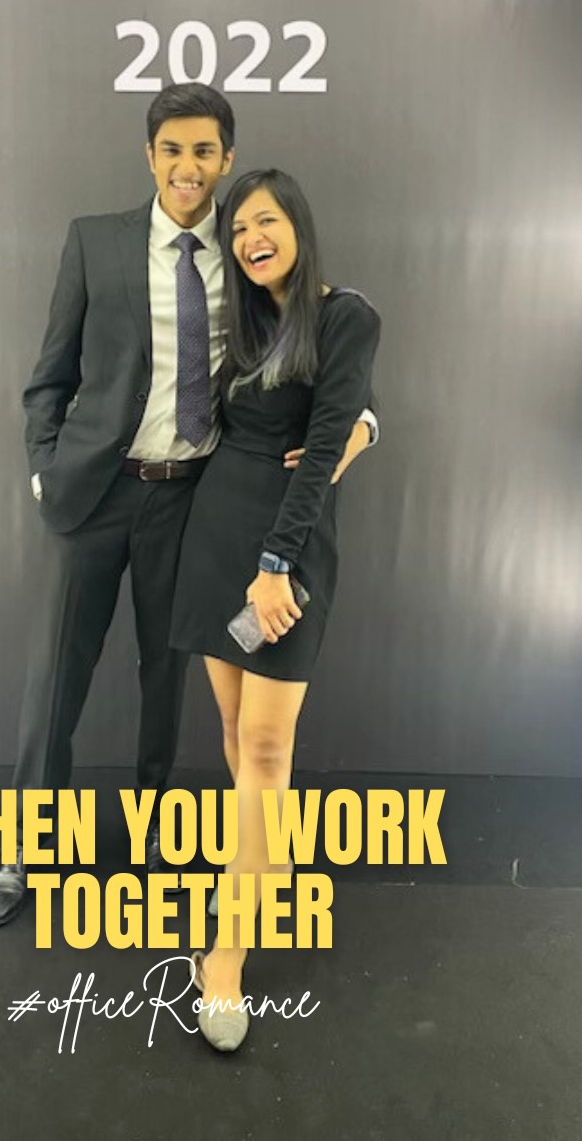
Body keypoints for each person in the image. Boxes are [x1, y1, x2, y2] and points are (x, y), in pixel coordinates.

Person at [0, 86, 378, 926]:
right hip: (92, 495)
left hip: (192, 499)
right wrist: (45, 471)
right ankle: (24, 844)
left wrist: (363, 426)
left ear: (226, 159)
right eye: (172, 150)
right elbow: (49, 377)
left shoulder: (248, 254)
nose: (187, 167)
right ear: (150, 156)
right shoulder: (94, 241)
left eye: (204, 151)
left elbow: (325, 355)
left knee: (164, 676)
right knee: (56, 675)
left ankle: (156, 829)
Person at [170, 168, 381, 1050]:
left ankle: (224, 956)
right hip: (216, 534)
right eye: (239, 229)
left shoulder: (346, 315)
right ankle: (266, 855)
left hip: (284, 550)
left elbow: (330, 437)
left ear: (298, 222)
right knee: (234, 733)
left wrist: (275, 566)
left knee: (264, 748)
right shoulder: (243, 320)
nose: (252, 238)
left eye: (266, 221)